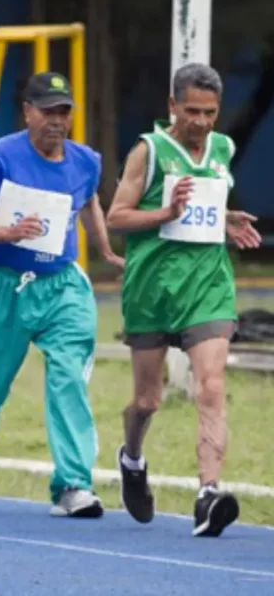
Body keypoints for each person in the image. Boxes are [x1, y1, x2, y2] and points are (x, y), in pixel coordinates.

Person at [0, 71, 124, 518]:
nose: (57, 121)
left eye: (64, 112)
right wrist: (6, 232)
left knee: (68, 378)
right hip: (4, 285)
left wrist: (105, 251)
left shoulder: (85, 161)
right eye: (48, 111)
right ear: (28, 111)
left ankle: (72, 485)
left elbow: (89, 203)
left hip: (62, 285)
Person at [106, 62, 261, 537]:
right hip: (153, 289)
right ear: (172, 105)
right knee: (148, 400)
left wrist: (226, 218)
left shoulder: (222, 147)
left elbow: (205, 208)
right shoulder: (148, 151)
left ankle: (208, 495)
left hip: (207, 286)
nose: (202, 121)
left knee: (211, 386)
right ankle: (132, 457)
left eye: (210, 112)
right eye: (192, 111)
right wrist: (165, 212)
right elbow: (117, 217)